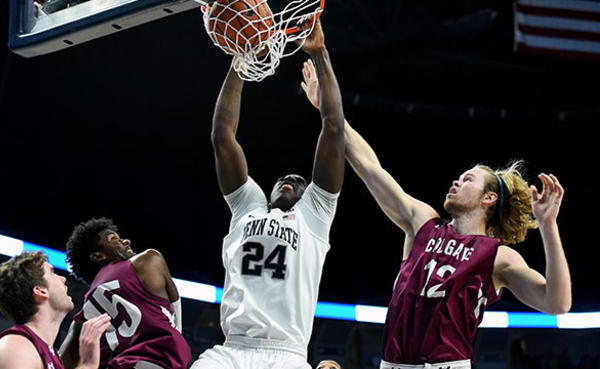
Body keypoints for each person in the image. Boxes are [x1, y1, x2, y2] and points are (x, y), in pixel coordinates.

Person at [300, 59, 571, 368]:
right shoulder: (422, 222)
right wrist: (330, 112)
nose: (457, 181)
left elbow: (557, 303)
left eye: (468, 179)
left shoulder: (497, 257)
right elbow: (371, 167)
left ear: (489, 198)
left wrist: (549, 226)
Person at [190, 19, 345, 369]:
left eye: (298, 181)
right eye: (283, 178)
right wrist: (240, 63)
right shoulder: (247, 207)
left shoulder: (314, 215)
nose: (288, 179)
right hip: (231, 349)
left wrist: (320, 53)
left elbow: (333, 128)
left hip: (285, 354)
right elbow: (222, 135)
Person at [60, 217, 191, 369]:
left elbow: (61, 362)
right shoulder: (148, 260)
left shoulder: (85, 310)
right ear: (98, 256)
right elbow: (176, 322)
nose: (126, 241)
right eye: (113, 239)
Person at [0, 251, 111, 369]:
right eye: (53, 273)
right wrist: (87, 365)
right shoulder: (16, 346)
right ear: (40, 290)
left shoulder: (51, 356)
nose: (63, 279)